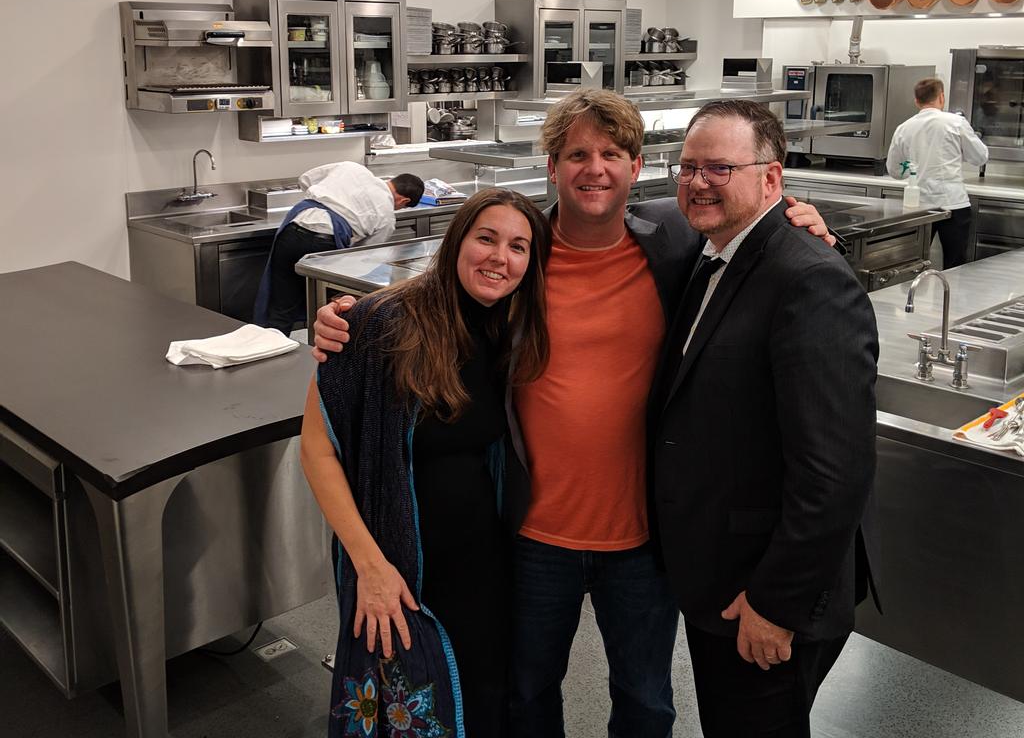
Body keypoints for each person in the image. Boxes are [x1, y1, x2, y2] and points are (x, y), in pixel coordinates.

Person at [310, 89, 837, 738]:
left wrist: (791, 220)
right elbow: (444, 283)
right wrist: (349, 318)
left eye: (612, 153)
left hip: (644, 539)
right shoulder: (521, 254)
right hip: (533, 538)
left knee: (647, 703)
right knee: (527, 699)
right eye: (578, 153)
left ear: (637, 168)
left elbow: (745, 240)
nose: (596, 168)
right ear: (553, 166)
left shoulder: (672, 247)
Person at [651, 99, 879, 738]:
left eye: (720, 169)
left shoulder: (808, 280)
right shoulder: (715, 256)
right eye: (688, 167)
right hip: (721, 575)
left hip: (764, 592)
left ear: (772, 179)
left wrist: (776, 604)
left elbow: (834, 471)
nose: (698, 183)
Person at [300, 188, 550, 738]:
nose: (499, 258)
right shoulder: (378, 323)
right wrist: (370, 568)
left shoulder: (505, 328)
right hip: (399, 567)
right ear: (457, 240)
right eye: (486, 238)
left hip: (484, 566)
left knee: (480, 700)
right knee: (405, 711)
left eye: (518, 247)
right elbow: (318, 450)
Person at [254, 162, 424, 332]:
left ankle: (271, 349)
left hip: (293, 229)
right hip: (325, 243)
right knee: (326, 306)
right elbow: (363, 256)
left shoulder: (352, 168)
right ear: (404, 200)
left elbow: (305, 178)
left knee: (282, 303)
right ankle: (319, 352)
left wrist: (325, 202)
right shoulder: (386, 217)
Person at [886, 76, 988, 269]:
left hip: (918, 206)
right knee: (955, 265)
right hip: (953, 204)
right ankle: (951, 298)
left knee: (911, 265)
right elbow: (980, 157)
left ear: (916, 101)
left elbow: (894, 170)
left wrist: (913, 165)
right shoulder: (956, 123)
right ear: (942, 97)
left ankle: (911, 297)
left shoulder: (904, 128)